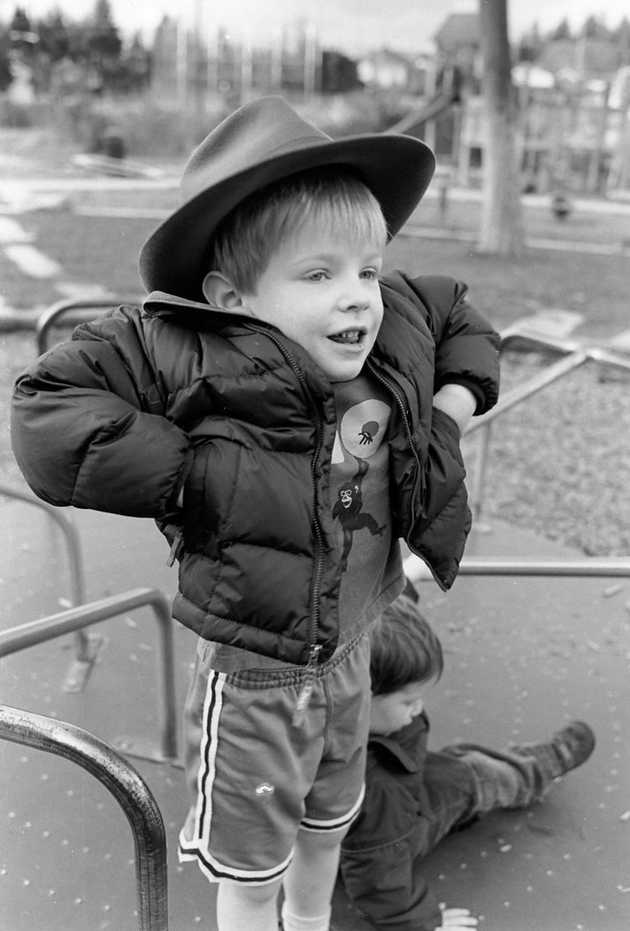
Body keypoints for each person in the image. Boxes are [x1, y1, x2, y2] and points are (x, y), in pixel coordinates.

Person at [11, 96, 501, 931]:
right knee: (249, 864)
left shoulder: (388, 328)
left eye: (367, 270)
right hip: (258, 675)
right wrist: (193, 474)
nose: (357, 299)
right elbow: (46, 410)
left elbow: (457, 312)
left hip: (354, 647)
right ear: (232, 295)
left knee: (328, 823)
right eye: (319, 275)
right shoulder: (189, 348)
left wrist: (449, 409)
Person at [340, 593, 596, 931]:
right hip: (405, 822)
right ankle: (538, 770)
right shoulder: (379, 792)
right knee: (473, 773)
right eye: (410, 701)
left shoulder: (338, 686)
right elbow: (378, 871)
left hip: (381, 787)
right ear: (362, 696)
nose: (418, 708)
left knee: (452, 759)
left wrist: (403, 590)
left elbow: (370, 619)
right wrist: (423, 924)